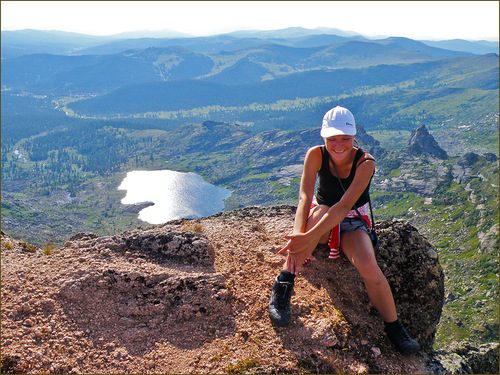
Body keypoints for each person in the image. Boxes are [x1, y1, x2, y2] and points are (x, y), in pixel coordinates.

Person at [268, 106, 421, 354]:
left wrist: (308, 236)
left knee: (369, 267)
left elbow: (344, 207)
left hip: (351, 220)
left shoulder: (365, 163)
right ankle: (284, 284)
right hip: (322, 214)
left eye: (345, 139)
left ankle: (394, 328)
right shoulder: (316, 155)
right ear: (324, 138)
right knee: (320, 213)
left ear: (354, 137)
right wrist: (300, 235)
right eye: (332, 139)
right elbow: (305, 197)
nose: (338, 145)